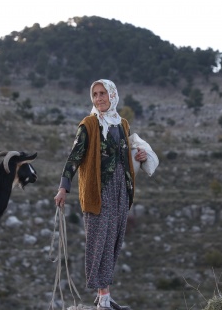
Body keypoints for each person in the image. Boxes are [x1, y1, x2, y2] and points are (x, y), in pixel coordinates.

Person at [54, 79, 147, 310]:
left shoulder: (122, 124)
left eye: (103, 93)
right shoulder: (88, 124)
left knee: (114, 240)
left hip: (120, 191)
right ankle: (102, 295)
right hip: (98, 191)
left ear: (112, 95)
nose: (98, 98)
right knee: (99, 241)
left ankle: (104, 296)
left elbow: (124, 155)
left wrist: (140, 157)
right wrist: (63, 187)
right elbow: (74, 157)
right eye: (95, 94)